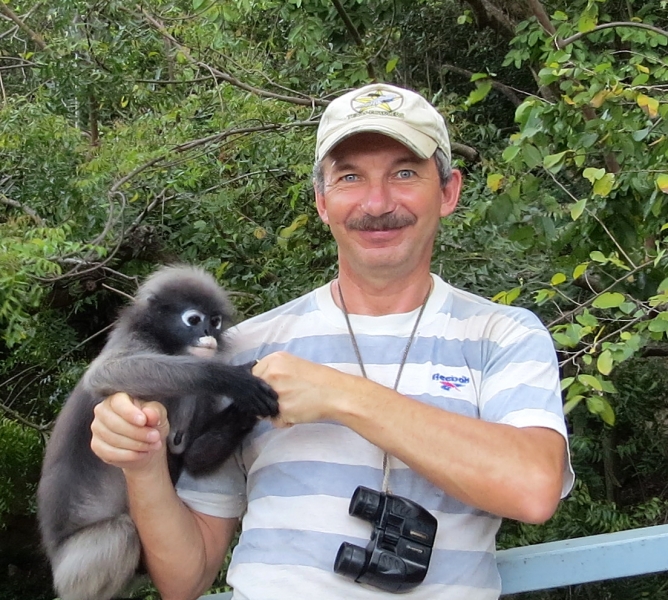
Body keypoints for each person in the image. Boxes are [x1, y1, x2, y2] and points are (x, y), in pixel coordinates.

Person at [91, 83, 574, 600]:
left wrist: (343, 396)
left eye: (404, 172)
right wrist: (142, 465)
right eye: (349, 177)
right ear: (322, 202)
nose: (377, 202)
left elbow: (533, 488)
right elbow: (184, 579)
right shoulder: (248, 348)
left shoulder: (502, 334)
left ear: (449, 191)